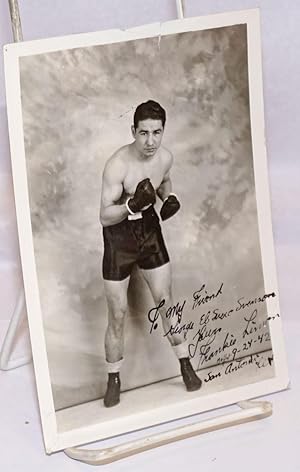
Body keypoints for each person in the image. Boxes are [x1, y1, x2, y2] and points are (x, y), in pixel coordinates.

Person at [100, 100, 202, 407]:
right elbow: (104, 216)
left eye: (156, 133)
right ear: (133, 131)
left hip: (148, 233)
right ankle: (113, 377)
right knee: (117, 314)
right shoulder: (118, 164)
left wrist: (168, 197)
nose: (150, 141)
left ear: (163, 131)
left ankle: (185, 365)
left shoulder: (165, 158)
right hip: (118, 239)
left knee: (165, 303)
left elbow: (164, 181)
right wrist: (130, 205)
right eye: (143, 133)